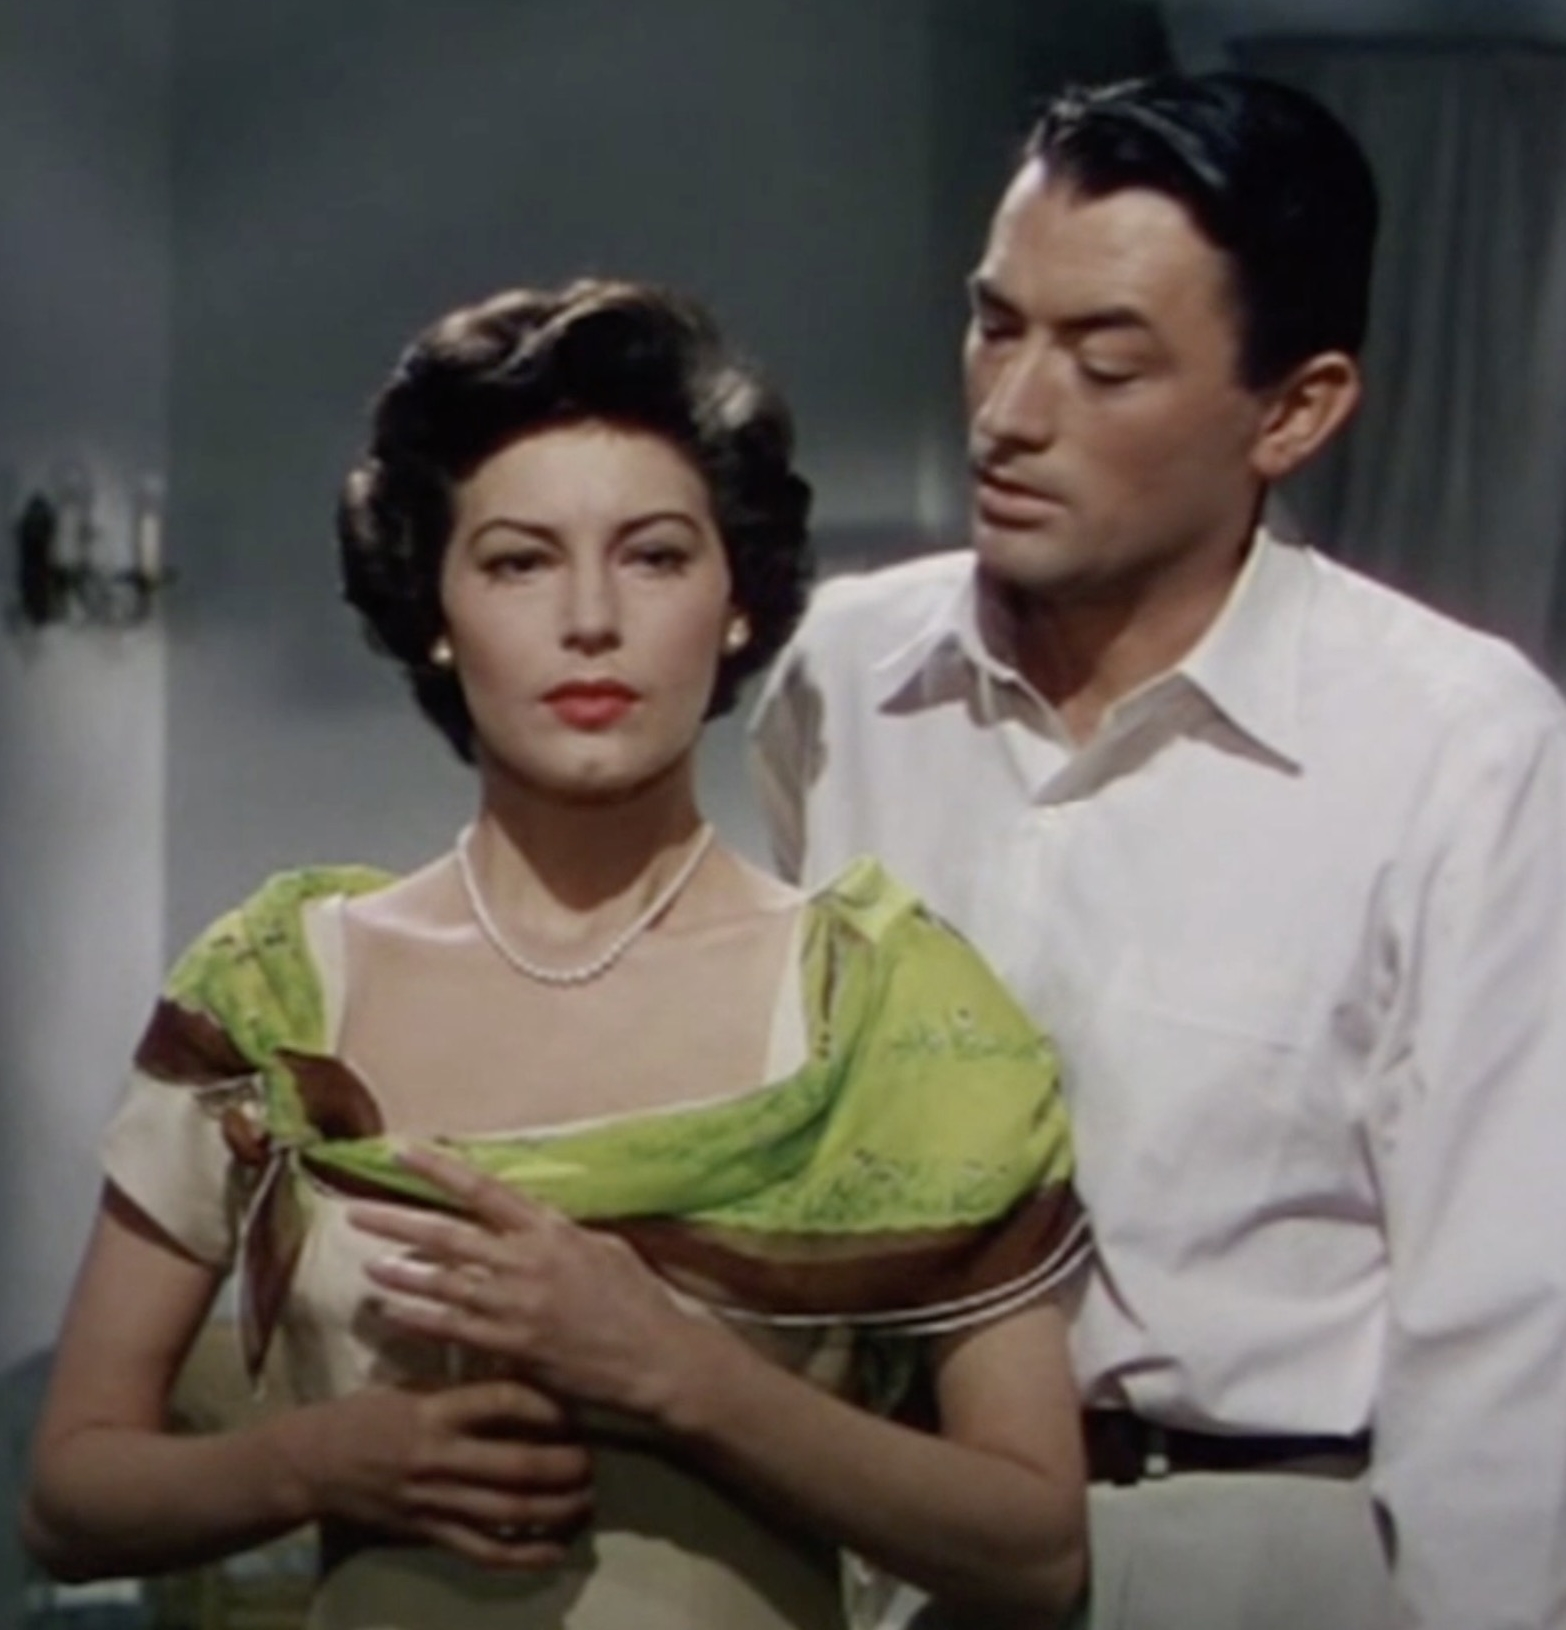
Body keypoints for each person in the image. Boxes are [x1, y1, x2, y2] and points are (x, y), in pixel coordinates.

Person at [23, 279, 1092, 1630]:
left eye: (654, 557)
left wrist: (677, 1375)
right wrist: (317, 1461)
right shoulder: (274, 994)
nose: (592, 618)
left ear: (739, 602)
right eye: (519, 562)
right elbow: (69, 1499)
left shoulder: (886, 1009)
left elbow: (1034, 1549)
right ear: (435, 609)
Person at [750, 73, 1566, 1630]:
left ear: (1294, 411)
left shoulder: (1465, 757)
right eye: (996, 326)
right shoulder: (850, 672)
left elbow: (1523, 1342)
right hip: (904, 1527)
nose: (1011, 412)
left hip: (1261, 1546)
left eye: (1106, 363)